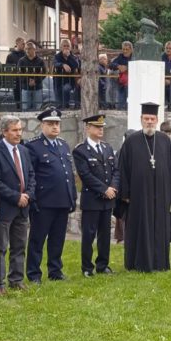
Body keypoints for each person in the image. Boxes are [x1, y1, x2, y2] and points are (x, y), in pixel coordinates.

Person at [117, 103, 171, 272]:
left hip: (160, 195)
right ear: (141, 120)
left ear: (157, 120)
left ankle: (159, 263)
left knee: (160, 228)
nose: (150, 122)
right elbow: (123, 168)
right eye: (146, 119)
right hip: (138, 195)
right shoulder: (131, 141)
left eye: (152, 119)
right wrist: (125, 193)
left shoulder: (165, 140)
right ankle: (137, 262)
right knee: (139, 227)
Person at [25, 108, 76, 283]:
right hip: (43, 202)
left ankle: (55, 270)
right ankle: (34, 273)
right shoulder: (33, 146)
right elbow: (30, 174)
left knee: (57, 239)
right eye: (50, 124)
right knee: (37, 240)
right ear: (42, 125)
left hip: (62, 201)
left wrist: (72, 198)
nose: (55, 127)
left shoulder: (63, 145)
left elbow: (68, 173)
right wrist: (33, 199)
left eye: (57, 123)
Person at [0, 116, 35, 293]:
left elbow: (31, 175)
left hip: (23, 208)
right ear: (4, 131)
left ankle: (16, 279)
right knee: (0, 247)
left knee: (19, 245)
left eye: (20, 129)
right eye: (15, 130)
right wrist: (16, 197)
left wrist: (28, 195)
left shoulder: (24, 150)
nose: (19, 133)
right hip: (5, 207)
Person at [73, 114, 120, 275]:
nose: (101, 130)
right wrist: (104, 189)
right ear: (88, 128)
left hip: (108, 199)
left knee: (105, 234)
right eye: (97, 127)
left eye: (102, 127)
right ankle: (87, 267)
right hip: (92, 199)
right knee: (89, 234)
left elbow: (116, 171)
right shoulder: (80, 150)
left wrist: (113, 187)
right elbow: (85, 175)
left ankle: (103, 264)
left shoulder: (107, 148)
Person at [17, 42, 46, 112]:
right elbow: (19, 73)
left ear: (34, 49)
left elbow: (44, 73)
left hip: (38, 87)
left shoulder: (40, 61)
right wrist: (28, 81)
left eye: (29, 48)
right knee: (25, 108)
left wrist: (35, 81)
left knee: (38, 109)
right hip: (25, 87)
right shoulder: (21, 61)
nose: (27, 50)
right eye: (26, 49)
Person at [53, 39, 80, 110]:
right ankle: (61, 107)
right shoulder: (57, 56)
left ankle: (66, 105)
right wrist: (63, 64)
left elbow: (76, 65)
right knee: (59, 101)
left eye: (68, 46)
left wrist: (69, 57)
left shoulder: (73, 57)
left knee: (66, 88)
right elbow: (55, 63)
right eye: (64, 46)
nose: (66, 48)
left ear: (70, 47)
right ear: (61, 47)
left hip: (69, 81)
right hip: (58, 81)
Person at [5, 37, 27, 111]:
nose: (24, 45)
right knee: (17, 96)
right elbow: (7, 67)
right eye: (23, 44)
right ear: (17, 43)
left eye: (24, 44)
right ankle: (18, 108)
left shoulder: (26, 55)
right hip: (15, 80)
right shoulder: (10, 55)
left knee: (24, 97)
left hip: (24, 80)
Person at [111, 42, 133, 110]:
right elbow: (111, 64)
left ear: (131, 49)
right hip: (122, 82)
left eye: (127, 49)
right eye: (123, 49)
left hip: (132, 83)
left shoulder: (135, 56)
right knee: (121, 100)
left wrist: (127, 67)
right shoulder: (120, 56)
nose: (125, 51)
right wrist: (118, 66)